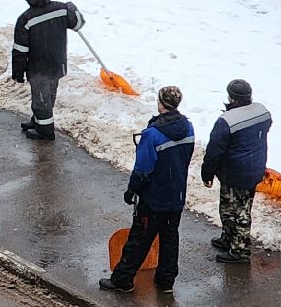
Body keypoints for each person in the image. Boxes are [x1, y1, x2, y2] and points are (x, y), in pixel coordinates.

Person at [101, 85, 195, 294]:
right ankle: (166, 281)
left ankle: (123, 279)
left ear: (161, 103)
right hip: (176, 194)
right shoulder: (188, 128)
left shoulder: (152, 134)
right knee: (170, 237)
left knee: (140, 239)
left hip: (153, 198)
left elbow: (143, 168)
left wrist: (132, 190)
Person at [200, 78, 271, 264]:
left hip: (235, 173)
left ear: (231, 98)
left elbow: (214, 151)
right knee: (230, 206)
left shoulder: (226, 121)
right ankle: (229, 238)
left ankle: (240, 250)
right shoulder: (262, 111)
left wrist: (207, 174)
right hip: (255, 168)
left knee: (238, 210)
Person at [10, 0, 83, 140]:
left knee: (41, 100)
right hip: (57, 64)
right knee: (47, 96)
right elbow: (78, 24)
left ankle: (45, 131)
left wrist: (18, 72)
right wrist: (72, 8)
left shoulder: (25, 19)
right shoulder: (61, 9)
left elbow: (20, 50)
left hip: (39, 68)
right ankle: (38, 121)